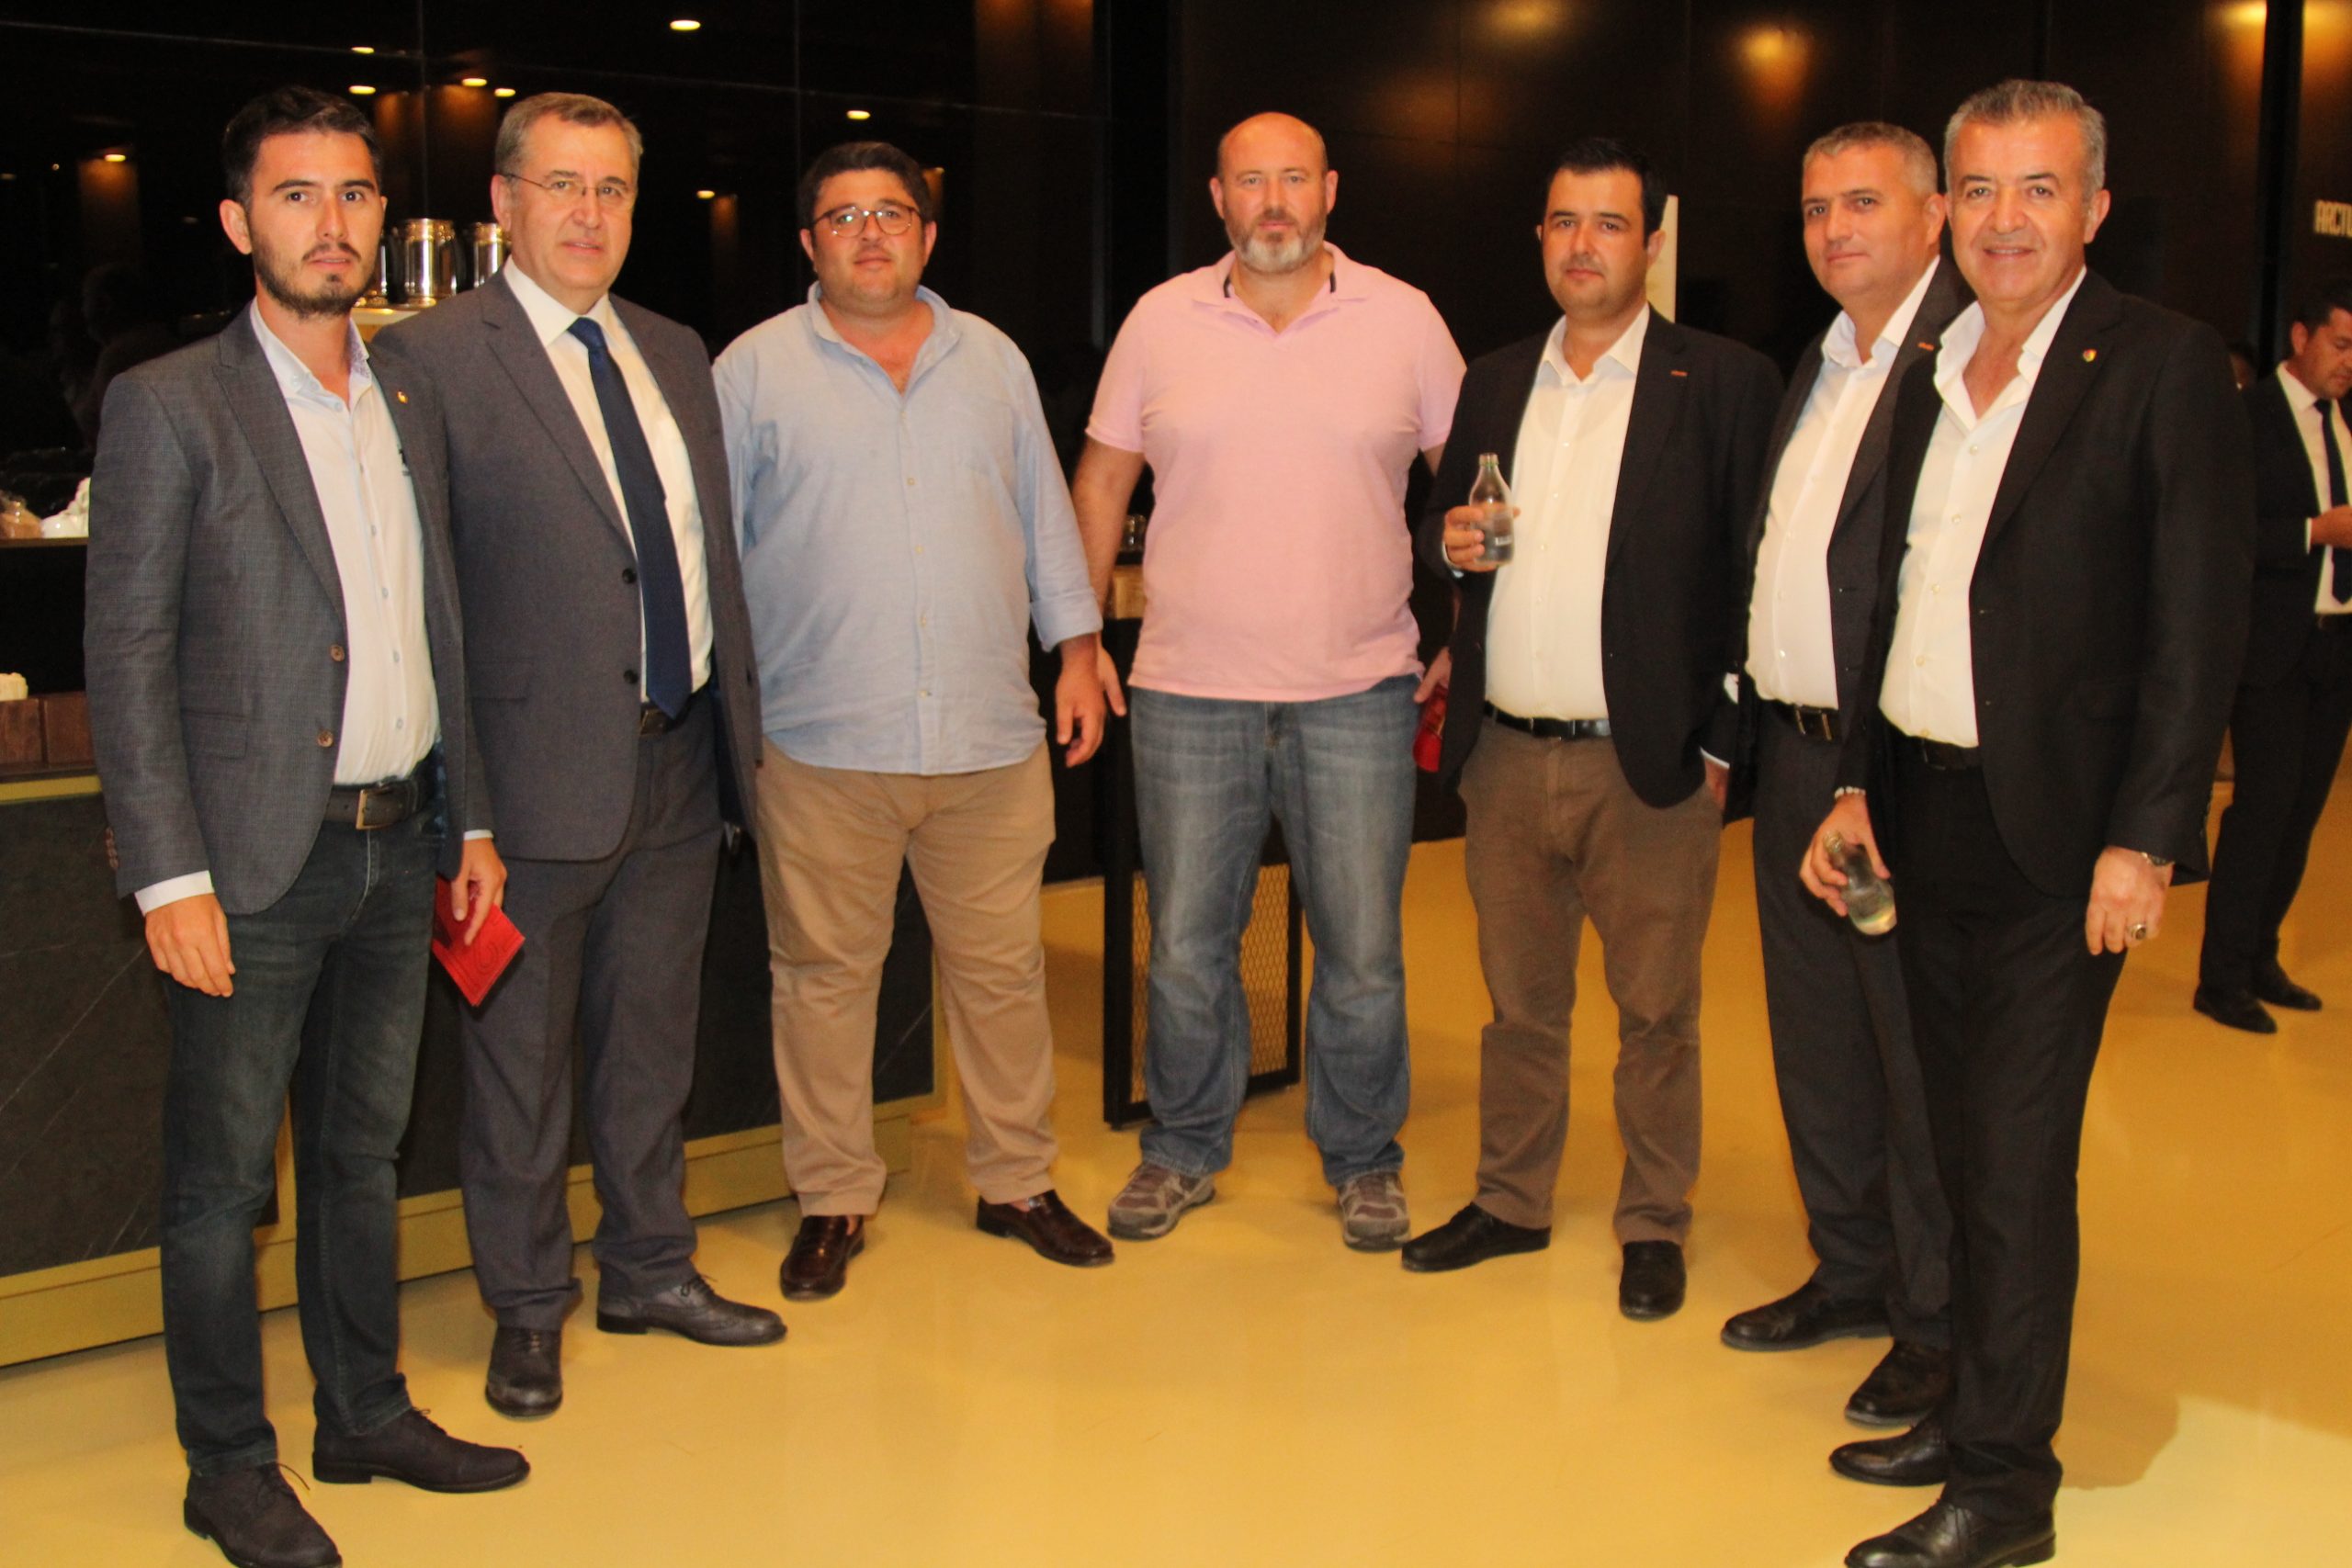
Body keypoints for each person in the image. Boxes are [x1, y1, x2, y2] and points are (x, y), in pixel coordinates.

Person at [1802, 81, 2251, 1568]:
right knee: (1951, 1137)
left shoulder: (2160, 365)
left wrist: (2148, 834)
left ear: (2095, 208)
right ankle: (1968, 1407)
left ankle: (2005, 1489)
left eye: (2039, 189)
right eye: (1982, 190)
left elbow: (2197, 622)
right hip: (1923, 810)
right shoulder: (1934, 358)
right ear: (1951, 211)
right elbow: (1894, 591)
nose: (2006, 220)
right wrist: (1855, 781)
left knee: (2011, 1159)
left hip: (2062, 840)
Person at [83, 85, 525, 1568]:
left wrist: (469, 820)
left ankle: (365, 1412)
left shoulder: (407, 397)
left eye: (352, 194)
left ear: (380, 219)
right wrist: (167, 874)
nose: (329, 223)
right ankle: (228, 1463)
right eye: (294, 195)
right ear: (237, 223)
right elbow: (128, 654)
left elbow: (437, 622)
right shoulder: (170, 404)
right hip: (248, 863)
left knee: (360, 1155)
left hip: (402, 845)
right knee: (221, 1185)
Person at [375, 91, 783, 1423]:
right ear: (504, 203)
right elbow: (429, 598)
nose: (588, 213)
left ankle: (650, 1268)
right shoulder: (432, 357)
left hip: (679, 763)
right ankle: (527, 1307)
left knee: (650, 1049)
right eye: (561, 185)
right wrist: (467, 811)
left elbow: (704, 559)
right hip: (526, 788)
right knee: (519, 1070)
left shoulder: (673, 351)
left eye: (610, 189)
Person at [715, 141, 1116, 1298]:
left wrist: (1077, 651)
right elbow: (717, 558)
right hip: (820, 741)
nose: (870, 234)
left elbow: (1044, 514)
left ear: (928, 236)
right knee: (824, 981)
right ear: (808, 243)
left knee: (1002, 975)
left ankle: (1017, 1181)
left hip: (988, 739)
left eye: (891, 214)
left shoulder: (991, 359)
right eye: (843, 217)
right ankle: (832, 1196)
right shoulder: (751, 372)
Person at [1400, 138, 1780, 1320]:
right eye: (1564, 222)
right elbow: (1447, 531)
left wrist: (1723, 741)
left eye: (1609, 224)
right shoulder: (1493, 379)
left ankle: (1654, 1220)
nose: (1583, 245)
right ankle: (1511, 1201)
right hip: (1507, 754)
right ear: (1540, 238)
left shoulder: (1721, 382)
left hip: (1648, 762)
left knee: (1657, 1014)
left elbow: (1759, 569)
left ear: (1649, 245)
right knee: (1518, 1009)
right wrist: (1443, 550)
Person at [1069, 112, 1464, 1251]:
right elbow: (1099, 485)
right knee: (1188, 947)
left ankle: (1363, 1159)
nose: (1274, 201)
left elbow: (1475, 489)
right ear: (1218, 197)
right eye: (1252, 181)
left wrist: (1467, 635)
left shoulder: (1405, 318)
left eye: (1294, 178)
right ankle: (1183, 1148)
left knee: (1362, 952)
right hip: (1188, 692)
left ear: (1330, 189)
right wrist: (1080, 644)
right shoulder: (1159, 320)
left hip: (1360, 691)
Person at [1721, 122, 1962, 1436]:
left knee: (1908, 1049)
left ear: (1934, 217)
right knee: (1817, 1035)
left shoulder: (1959, 365)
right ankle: (1852, 1269)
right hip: (1795, 755)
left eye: (1864, 203)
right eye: (1816, 208)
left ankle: (1935, 1321)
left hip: (1889, 770)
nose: (1834, 230)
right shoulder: (1812, 368)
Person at [2194, 278, 2352, 1032]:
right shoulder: (2247, 417)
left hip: (2337, 648)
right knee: (2261, 810)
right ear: (2301, 337)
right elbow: (2223, 534)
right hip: (2272, 649)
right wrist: (2317, 532)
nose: (2349, 363)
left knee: (2301, 814)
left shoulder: (2348, 422)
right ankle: (2221, 977)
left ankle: (2262, 956)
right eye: (2342, 345)